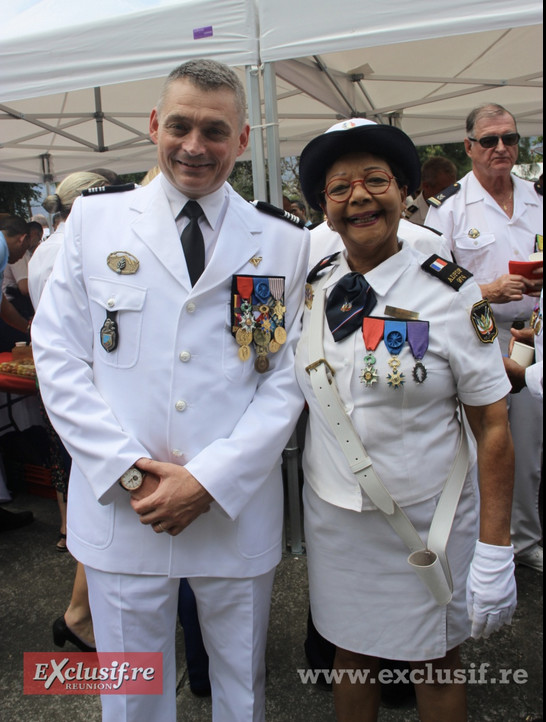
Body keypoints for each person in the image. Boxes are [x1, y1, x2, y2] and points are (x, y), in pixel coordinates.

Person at [31, 58, 309, 722]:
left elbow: (282, 376)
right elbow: (59, 356)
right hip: (125, 506)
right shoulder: (93, 228)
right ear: (155, 125)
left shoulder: (277, 242)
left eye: (215, 130)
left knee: (241, 687)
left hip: (230, 508)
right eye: (179, 125)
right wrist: (127, 471)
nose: (194, 146)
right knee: (131, 694)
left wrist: (209, 479)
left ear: (242, 141)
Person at [296, 117, 516, 722]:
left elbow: (492, 424)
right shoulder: (314, 287)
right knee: (350, 651)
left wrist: (497, 548)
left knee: (437, 659)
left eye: (376, 180)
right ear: (324, 209)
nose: (359, 197)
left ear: (405, 193)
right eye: (339, 189)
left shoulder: (451, 294)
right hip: (336, 517)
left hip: (428, 518)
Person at [425, 103, 543, 573]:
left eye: (510, 139)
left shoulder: (538, 197)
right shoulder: (450, 207)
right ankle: (477, 543)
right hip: (476, 336)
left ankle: (525, 541)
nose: (501, 148)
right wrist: (487, 290)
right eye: (490, 140)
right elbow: (429, 276)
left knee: (530, 447)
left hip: (530, 335)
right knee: (478, 446)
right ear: (470, 146)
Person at [28, 171, 110, 653]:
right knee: (98, 494)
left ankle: (67, 542)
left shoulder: (46, 248)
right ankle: (79, 614)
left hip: (65, 382)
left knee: (75, 479)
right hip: (85, 384)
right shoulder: (77, 245)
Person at [404, 156, 457, 226]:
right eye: (444, 190)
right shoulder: (410, 219)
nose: (450, 194)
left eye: (453, 189)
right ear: (426, 186)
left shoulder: (458, 207)